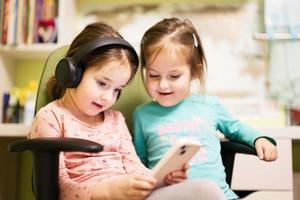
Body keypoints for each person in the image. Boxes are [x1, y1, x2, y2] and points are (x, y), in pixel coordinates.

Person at [28, 22, 226, 200]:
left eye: (116, 89)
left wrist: (160, 179)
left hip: (129, 197)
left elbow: (134, 167)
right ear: (73, 72)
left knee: (204, 190)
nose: (108, 97)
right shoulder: (51, 118)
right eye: (102, 83)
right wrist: (108, 191)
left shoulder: (115, 119)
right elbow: (58, 189)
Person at [133, 17, 278, 200]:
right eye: (154, 75)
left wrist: (259, 138)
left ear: (195, 72)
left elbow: (236, 128)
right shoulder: (142, 115)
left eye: (174, 76)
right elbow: (137, 164)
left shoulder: (209, 105)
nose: (163, 84)